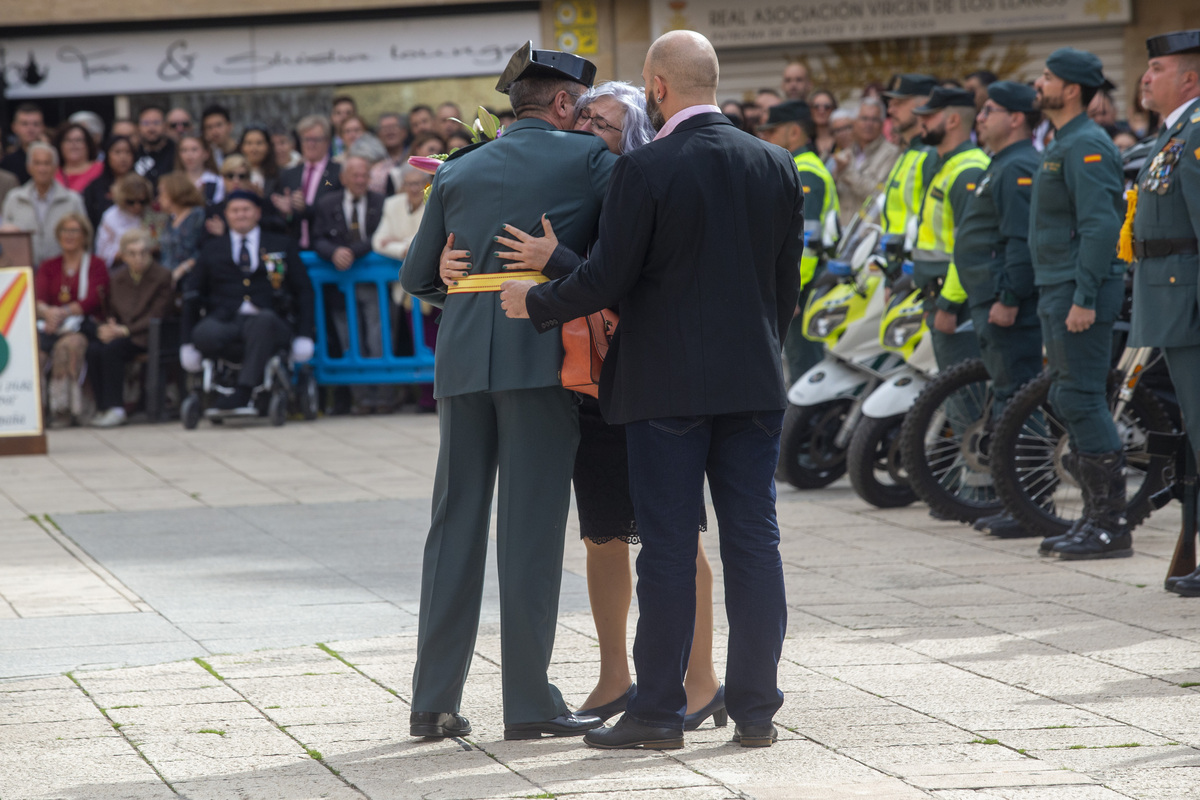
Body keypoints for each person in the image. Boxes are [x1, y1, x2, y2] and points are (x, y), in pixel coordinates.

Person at [500, 29, 804, 751]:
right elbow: (786, 285)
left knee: (666, 549)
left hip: (664, 388)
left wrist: (535, 301)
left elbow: (609, 279)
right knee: (756, 543)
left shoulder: (648, 168)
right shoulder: (777, 164)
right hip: (754, 382)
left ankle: (659, 714)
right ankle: (756, 709)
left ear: (658, 88)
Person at [447, 80, 723, 726]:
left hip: (648, 376)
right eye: (585, 117)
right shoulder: (568, 182)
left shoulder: (642, 184)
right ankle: (613, 677)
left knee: (678, 536)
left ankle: (703, 676)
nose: (585, 128)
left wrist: (556, 259)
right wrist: (454, 259)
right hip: (588, 380)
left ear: (627, 139)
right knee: (602, 534)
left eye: (602, 123)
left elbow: (634, 281)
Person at [398, 41, 616, 742]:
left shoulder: (459, 168)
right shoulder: (591, 161)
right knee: (528, 532)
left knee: (452, 525)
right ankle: (527, 701)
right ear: (561, 104)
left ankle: (432, 700)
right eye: (580, 109)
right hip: (538, 354)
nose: (584, 119)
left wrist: (450, 278)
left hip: (462, 360)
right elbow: (619, 262)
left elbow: (416, 275)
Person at [1030, 49, 1128, 560]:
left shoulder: (1087, 144)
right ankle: (1095, 519)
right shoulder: (1060, 141)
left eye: (1047, 77)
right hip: (1059, 287)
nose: (1038, 83)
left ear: (1071, 90)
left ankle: (1112, 526)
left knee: (1084, 397)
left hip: (1078, 289)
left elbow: (1100, 225)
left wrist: (1085, 296)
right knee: (1071, 396)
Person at [951, 82, 1045, 538]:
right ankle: (1017, 501)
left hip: (1008, 309)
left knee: (1019, 401)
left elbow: (1020, 242)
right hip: (989, 303)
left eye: (990, 110)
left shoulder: (1018, 166)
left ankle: (1031, 503)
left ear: (1017, 118)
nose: (981, 117)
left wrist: (1008, 298)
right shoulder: (1001, 164)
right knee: (1009, 399)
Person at [1125, 30, 1200, 592]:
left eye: (1157, 67)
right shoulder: (1173, 134)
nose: (1145, 77)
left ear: (1189, 78)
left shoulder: (1196, 135)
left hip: (1189, 304)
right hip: (1172, 303)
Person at [179, 191, 314, 409]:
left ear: (258, 213)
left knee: (263, 322)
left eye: (246, 210)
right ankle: (213, 390)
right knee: (204, 333)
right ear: (226, 215)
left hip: (270, 320)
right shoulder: (212, 249)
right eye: (235, 211)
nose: (241, 215)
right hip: (226, 320)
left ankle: (243, 392)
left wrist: (305, 335)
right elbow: (192, 293)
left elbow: (304, 290)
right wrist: (186, 343)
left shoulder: (280, 244)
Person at [757, 100, 839, 383]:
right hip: (803, 286)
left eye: (771, 131)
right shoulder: (795, 166)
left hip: (807, 289)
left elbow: (806, 240)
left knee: (806, 369)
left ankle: (813, 428)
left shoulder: (806, 173)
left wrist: (793, 289)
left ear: (793, 133)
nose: (764, 137)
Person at [913, 88, 990, 370]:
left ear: (954, 120)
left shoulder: (967, 171)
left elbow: (968, 247)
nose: (921, 122)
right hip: (940, 296)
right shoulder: (947, 165)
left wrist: (948, 303)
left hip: (957, 302)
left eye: (929, 116)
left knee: (965, 400)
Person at [312, 155, 387, 412]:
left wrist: (353, 252)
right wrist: (333, 253)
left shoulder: (381, 202)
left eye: (364, 175)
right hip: (339, 284)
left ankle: (382, 397)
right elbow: (317, 237)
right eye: (354, 175)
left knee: (378, 338)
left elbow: (381, 235)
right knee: (348, 339)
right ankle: (361, 398)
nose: (359, 180)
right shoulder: (326, 203)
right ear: (343, 178)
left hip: (374, 283)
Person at [87, 228, 174, 428]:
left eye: (143, 252)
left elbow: (158, 313)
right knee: (93, 349)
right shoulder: (117, 277)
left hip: (148, 335)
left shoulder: (162, 276)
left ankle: (116, 408)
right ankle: (103, 407)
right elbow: (111, 309)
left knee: (112, 350)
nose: (139, 258)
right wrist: (110, 327)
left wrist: (125, 331)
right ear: (123, 256)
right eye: (133, 254)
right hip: (122, 332)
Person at [34, 213, 109, 427]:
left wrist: (63, 312)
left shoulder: (96, 264)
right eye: (65, 231)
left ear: (85, 235)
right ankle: (38, 411)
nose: (69, 235)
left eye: (75, 230)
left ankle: (64, 410)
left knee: (68, 347)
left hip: (81, 326)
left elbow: (94, 298)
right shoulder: (49, 266)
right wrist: (48, 313)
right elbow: (39, 298)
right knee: (35, 355)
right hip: (50, 325)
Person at [375, 165, 436, 411]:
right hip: (409, 291)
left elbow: (432, 236)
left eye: (418, 184)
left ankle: (441, 394)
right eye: (409, 184)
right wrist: (404, 249)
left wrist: (405, 242)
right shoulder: (392, 205)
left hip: (437, 286)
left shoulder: (435, 199)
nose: (414, 189)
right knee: (418, 341)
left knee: (439, 342)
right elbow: (378, 241)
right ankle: (425, 397)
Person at [1, 142, 87, 266]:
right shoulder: (14, 199)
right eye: (37, 163)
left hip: (62, 273)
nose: (42, 169)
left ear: (55, 167)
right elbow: (6, 241)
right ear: (29, 167)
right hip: (24, 273)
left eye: (47, 163)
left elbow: (85, 239)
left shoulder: (73, 200)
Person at [880, 74, 940, 239]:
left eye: (898, 103)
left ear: (923, 104)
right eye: (890, 104)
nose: (890, 110)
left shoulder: (932, 154)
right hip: (896, 256)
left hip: (913, 257)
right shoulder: (909, 151)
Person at [272, 116, 342, 248]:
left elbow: (337, 212)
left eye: (316, 139)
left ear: (327, 141)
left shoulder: (338, 173)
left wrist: (306, 209)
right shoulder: (289, 174)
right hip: (295, 247)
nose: (311, 144)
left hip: (328, 249)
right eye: (306, 139)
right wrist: (287, 213)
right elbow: (281, 220)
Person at [832, 97, 901, 223]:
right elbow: (830, 195)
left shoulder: (893, 154)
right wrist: (835, 176)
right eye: (864, 119)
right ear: (855, 123)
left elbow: (880, 195)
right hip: (842, 234)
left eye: (874, 119)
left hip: (870, 235)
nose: (869, 124)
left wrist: (847, 172)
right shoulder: (845, 154)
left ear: (882, 124)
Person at [157, 172, 207, 286]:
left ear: (174, 192)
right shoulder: (169, 220)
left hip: (190, 280)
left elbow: (204, 249)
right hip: (166, 279)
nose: (158, 198)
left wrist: (183, 268)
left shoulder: (197, 215)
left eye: (161, 193)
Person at [96, 173, 153, 269]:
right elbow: (102, 252)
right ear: (122, 198)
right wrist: (125, 254)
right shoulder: (111, 216)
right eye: (131, 202)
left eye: (142, 201)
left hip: (149, 267)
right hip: (119, 268)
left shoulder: (152, 215)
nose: (137, 206)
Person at [83, 137, 136, 230]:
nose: (123, 157)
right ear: (107, 155)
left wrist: (151, 240)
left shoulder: (143, 184)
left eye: (128, 152)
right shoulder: (95, 187)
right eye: (117, 152)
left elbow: (153, 216)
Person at [0, 103, 45, 185]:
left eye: (35, 124)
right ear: (14, 127)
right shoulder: (6, 163)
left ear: (43, 127)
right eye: (24, 124)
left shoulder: (55, 159)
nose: (30, 129)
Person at [133, 106, 176, 188]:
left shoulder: (176, 152)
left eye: (156, 123)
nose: (151, 128)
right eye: (146, 123)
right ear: (138, 127)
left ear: (165, 125)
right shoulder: (133, 152)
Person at [54, 123, 103, 193]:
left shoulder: (101, 169)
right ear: (60, 146)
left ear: (88, 144)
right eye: (68, 140)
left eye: (79, 140)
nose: (74, 144)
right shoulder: (52, 173)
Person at [175, 135, 223, 205]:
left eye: (194, 149)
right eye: (184, 150)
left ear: (206, 153)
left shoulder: (216, 180)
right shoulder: (174, 181)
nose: (189, 155)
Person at [370, 113, 409, 195]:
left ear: (404, 132)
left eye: (394, 127)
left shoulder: (414, 156)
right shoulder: (371, 161)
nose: (389, 131)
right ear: (378, 135)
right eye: (384, 128)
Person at [236, 125, 280, 196]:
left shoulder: (279, 175)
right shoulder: (232, 173)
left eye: (259, 143)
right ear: (241, 147)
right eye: (249, 143)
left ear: (268, 146)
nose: (254, 149)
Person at [809, 90, 838, 159]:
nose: (821, 110)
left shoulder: (842, 138)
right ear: (810, 110)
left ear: (834, 109)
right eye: (816, 106)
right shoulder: (805, 141)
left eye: (827, 107)